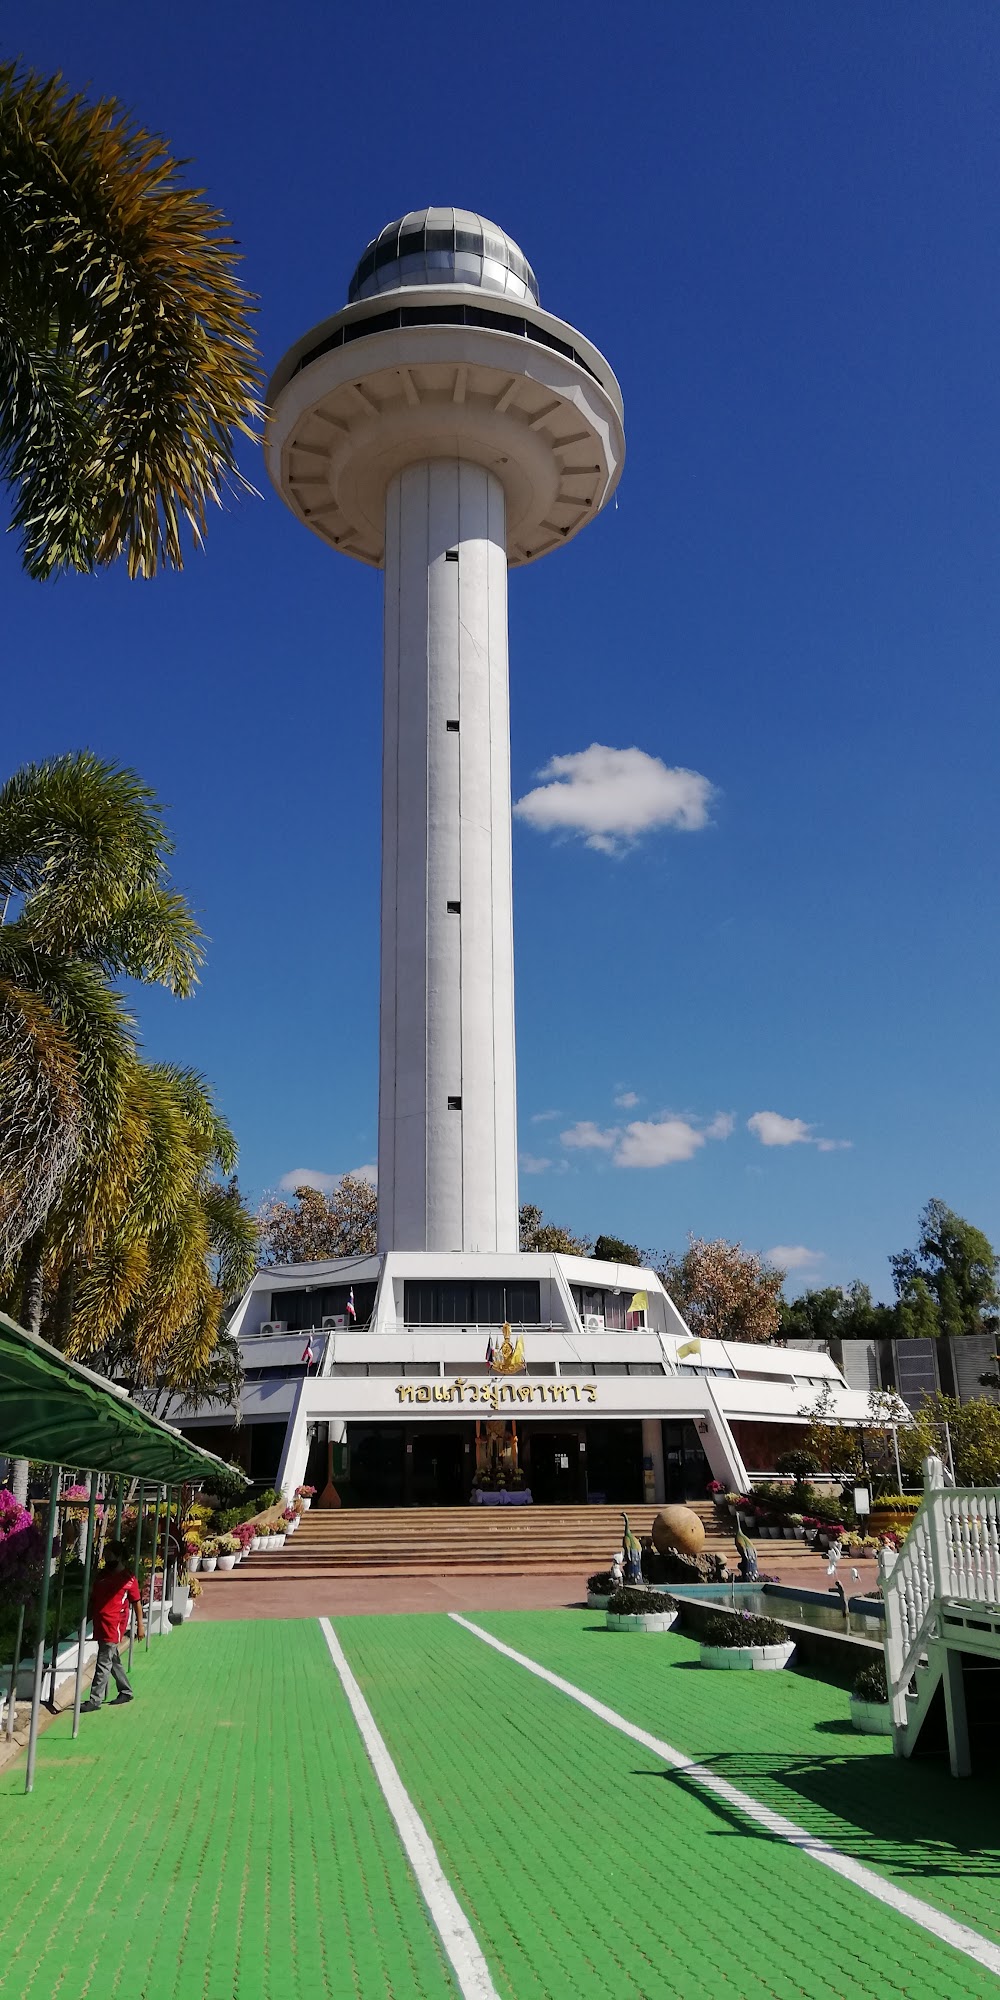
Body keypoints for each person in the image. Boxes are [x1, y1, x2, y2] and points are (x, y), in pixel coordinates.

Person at [79, 1538, 145, 1711]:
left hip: (113, 1625)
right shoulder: (102, 1576)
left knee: (103, 1661)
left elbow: (137, 1602)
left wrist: (140, 1625)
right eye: (105, 1556)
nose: (107, 1560)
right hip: (100, 1624)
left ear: (119, 1556)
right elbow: (93, 1599)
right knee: (112, 1658)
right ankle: (126, 1690)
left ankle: (95, 1700)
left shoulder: (128, 1579)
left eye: (110, 1556)